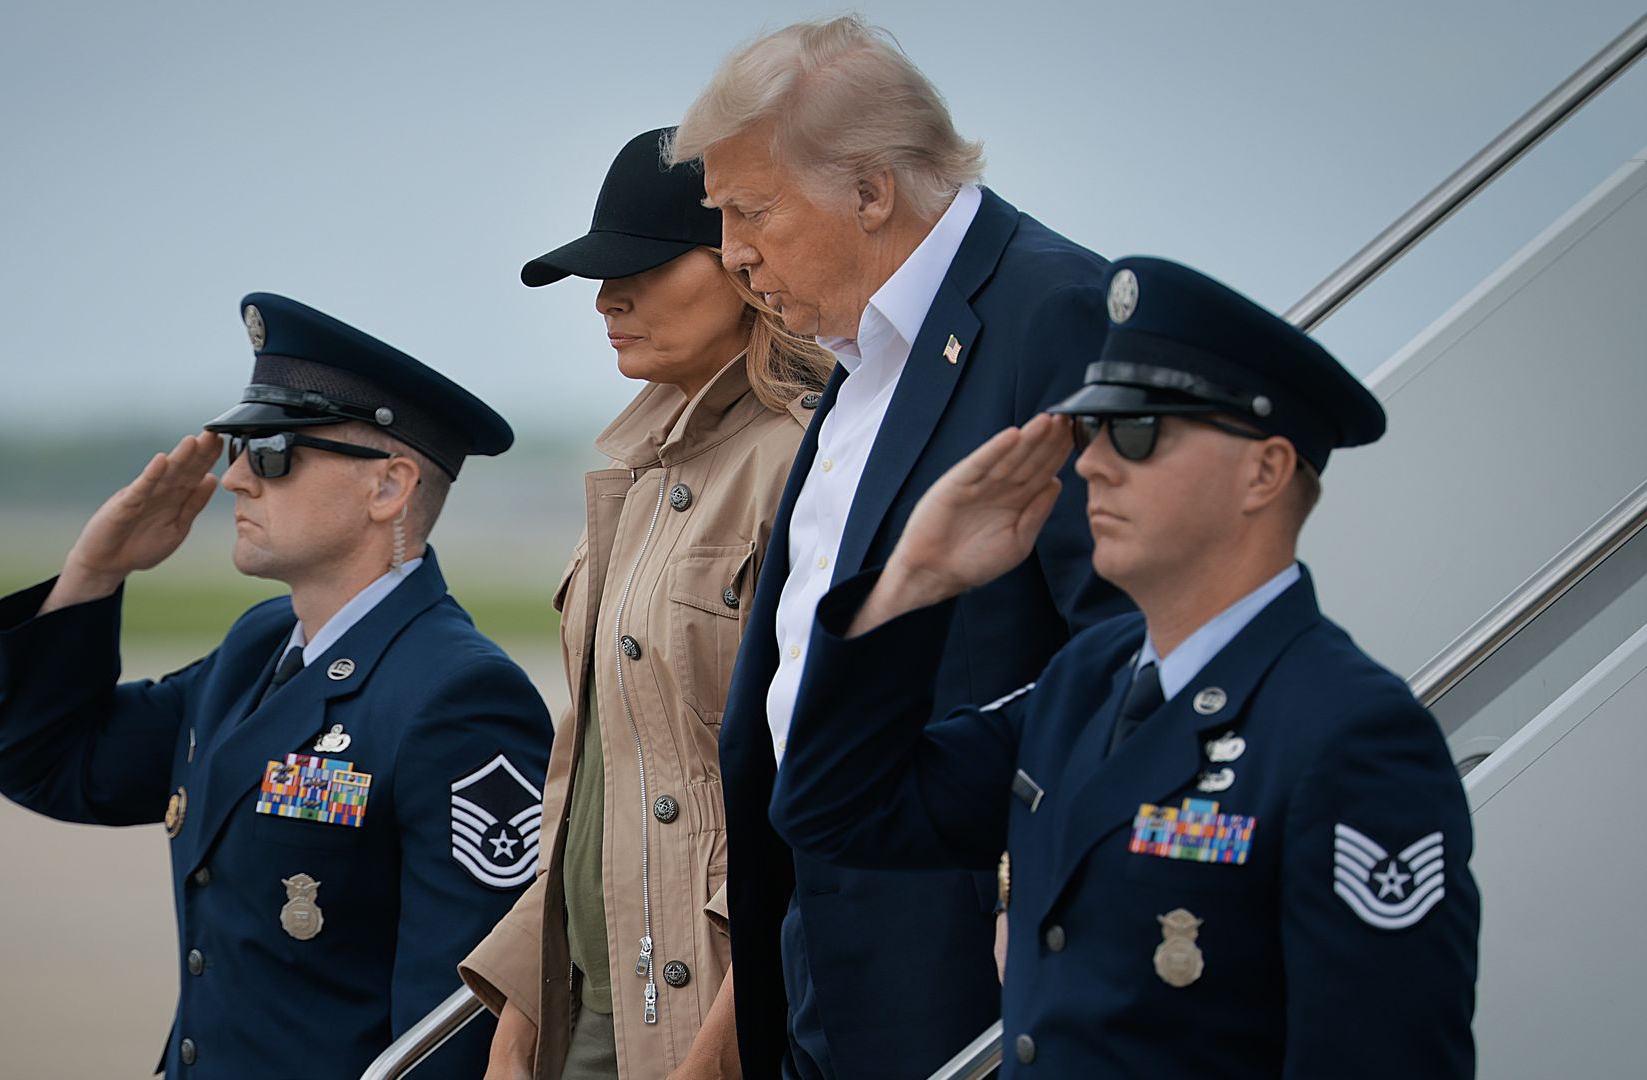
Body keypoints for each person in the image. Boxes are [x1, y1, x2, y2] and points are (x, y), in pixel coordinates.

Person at [772, 257, 1481, 1077]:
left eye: (1136, 432)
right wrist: (915, 580)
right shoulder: (1089, 681)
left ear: (1265, 471)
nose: (1091, 465)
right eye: (1089, 430)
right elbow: (835, 809)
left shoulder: (1351, 736)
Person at [664, 16, 1130, 1077]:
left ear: (871, 191)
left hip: (970, 948)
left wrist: (1036, 889)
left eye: (751, 212)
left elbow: (1127, 650)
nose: (732, 253)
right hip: (824, 937)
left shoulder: (1051, 312)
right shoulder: (865, 353)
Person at [0, 294, 553, 1080]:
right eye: (238, 448)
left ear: (388, 488)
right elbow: (53, 763)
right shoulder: (259, 648)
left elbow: (451, 1029)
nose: (235, 480)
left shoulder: (458, 696)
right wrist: (95, 570)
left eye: (274, 451)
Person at [460, 127, 833, 1080]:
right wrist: (522, 1010)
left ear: (746, 262)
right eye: (601, 274)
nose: (605, 298)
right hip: (594, 1001)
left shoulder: (805, 465)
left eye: (646, 266)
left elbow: (811, 798)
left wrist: (719, 1047)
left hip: (706, 1008)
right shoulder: (637, 471)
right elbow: (590, 777)